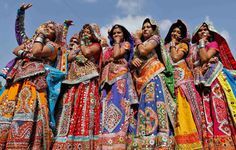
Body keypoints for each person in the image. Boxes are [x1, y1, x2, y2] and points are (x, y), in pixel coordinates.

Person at [0, 21, 63, 149]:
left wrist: (39, 36)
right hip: (17, 80)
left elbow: (36, 52)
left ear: (55, 35)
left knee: (28, 111)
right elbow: (16, 50)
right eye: (46, 26)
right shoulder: (32, 41)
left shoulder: (53, 46)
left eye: (51, 29)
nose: (47, 29)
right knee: (7, 110)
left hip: (34, 82)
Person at [52, 24, 102, 149]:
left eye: (89, 32)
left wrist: (82, 43)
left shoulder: (95, 46)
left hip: (87, 81)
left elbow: (87, 52)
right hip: (70, 82)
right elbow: (65, 57)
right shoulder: (76, 48)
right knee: (67, 109)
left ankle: (82, 143)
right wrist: (65, 30)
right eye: (83, 31)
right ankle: (62, 142)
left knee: (84, 110)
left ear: (94, 35)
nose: (85, 33)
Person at [189, 22, 236, 149]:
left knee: (218, 110)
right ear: (196, 34)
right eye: (200, 30)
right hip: (201, 83)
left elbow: (204, 57)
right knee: (207, 112)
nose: (203, 32)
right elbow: (191, 65)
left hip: (215, 80)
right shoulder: (192, 49)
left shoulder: (212, 44)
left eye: (206, 30)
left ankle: (225, 143)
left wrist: (202, 43)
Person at [131, 18, 176, 149]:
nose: (145, 29)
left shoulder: (155, 39)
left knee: (156, 105)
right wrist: (133, 63)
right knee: (146, 106)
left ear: (154, 29)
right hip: (143, 80)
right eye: (143, 27)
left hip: (154, 76)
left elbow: (144, 51)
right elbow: (134, 62)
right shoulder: (138, 45)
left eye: (148, 27)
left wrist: (137, 38)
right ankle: (146, 140)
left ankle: (161, 140)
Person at [164, 19, 203, 149]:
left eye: (178, 32)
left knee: (184, 112)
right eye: (173, 31)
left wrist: (174, 44)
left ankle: (189, 144)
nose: (175, 33)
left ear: (182, 36)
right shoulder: (164, 47)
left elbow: (175, 58)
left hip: (183, 82)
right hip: (168, 82)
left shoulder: (183, 46)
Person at [99, 24, 138, 149]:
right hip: (107, 81)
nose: (116, 35)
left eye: (119, 33)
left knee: (119, 105)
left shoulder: (125, 45)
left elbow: (116, 55)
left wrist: (116, 43)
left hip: (120, 79)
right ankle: (106, 139)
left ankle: (120, 140)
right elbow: (103, 62)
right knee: (107, 107)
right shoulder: (108, 49)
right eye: (114, 33)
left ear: (124, 35)